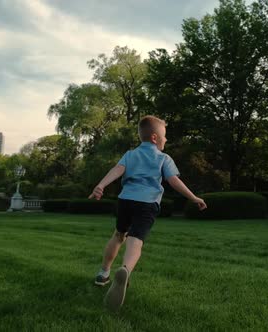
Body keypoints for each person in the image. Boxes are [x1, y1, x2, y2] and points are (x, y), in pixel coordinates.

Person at [89, 115, 207, 312]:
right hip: (147, 203)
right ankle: (125, 270)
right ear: (154, 137)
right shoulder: (163, 158)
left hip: (125, 200)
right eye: (165, 136)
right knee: (136, 240)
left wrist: (100, 185)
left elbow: (117, 170)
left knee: (119, 235)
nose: (166, 140)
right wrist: (194, 197)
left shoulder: (130, 154)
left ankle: (103, 273)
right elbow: (174, 181)